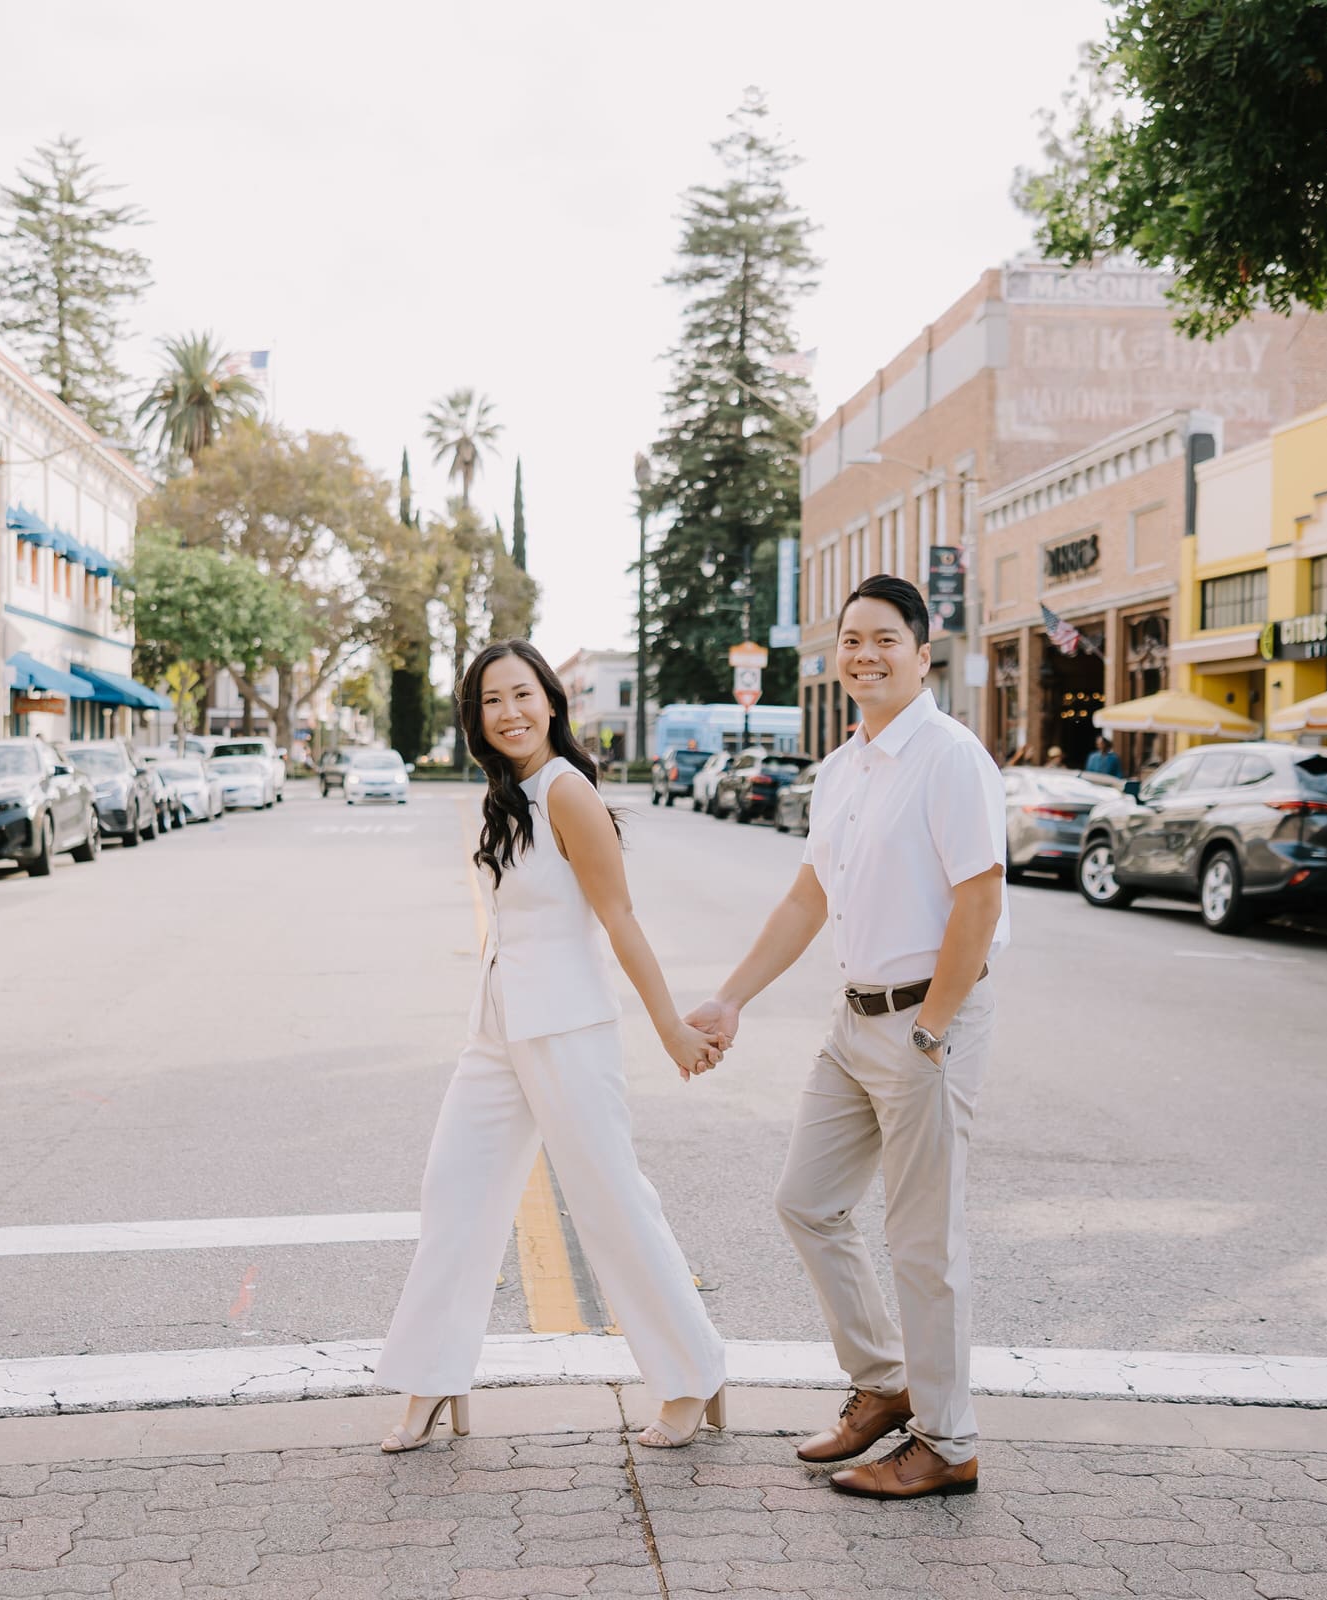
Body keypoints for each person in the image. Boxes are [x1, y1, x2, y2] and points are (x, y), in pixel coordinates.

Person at [687, 574, 1006, 1500]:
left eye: (885, 640)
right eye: (851, 640)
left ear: (922, 649)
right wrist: (732, 998)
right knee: (806, 1200)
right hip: (854, 1015)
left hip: (926, 1021)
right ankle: (883, 1384)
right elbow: (808, 897)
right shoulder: (843, 767)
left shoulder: (949, 758)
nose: (864, 655)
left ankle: (949, 1442)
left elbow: (980, 901)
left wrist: (934, 1032)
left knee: (922, 1241)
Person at [376, 639, 730, 1453]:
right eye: (492, 701)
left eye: (523, 694)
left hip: (569, 1029)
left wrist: (670, 1026)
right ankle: (433, 1378)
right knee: (455, 1195)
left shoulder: (567, 793)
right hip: (497, 1030)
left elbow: (621, 920)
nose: (510, 712)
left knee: (611, 1203)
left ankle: (691, 1374)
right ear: (476, 718)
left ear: (551, 700)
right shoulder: (509, 794)